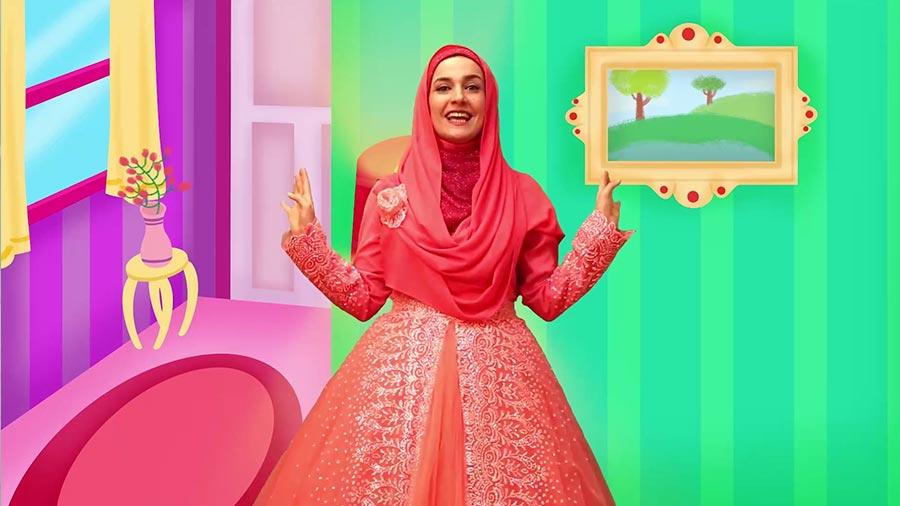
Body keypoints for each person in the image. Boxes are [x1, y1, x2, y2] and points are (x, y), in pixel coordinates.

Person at [256, 44, 633, 505]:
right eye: (444, 87)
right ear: (426, 101)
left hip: (498, 379)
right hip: (403, 378)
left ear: (489, 101)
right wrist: (307, 240)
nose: (458, 98)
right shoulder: (390, 193)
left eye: (472, 87)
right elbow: (363, 298)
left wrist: (599, 234)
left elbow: (547, 298)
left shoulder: (522, 194)